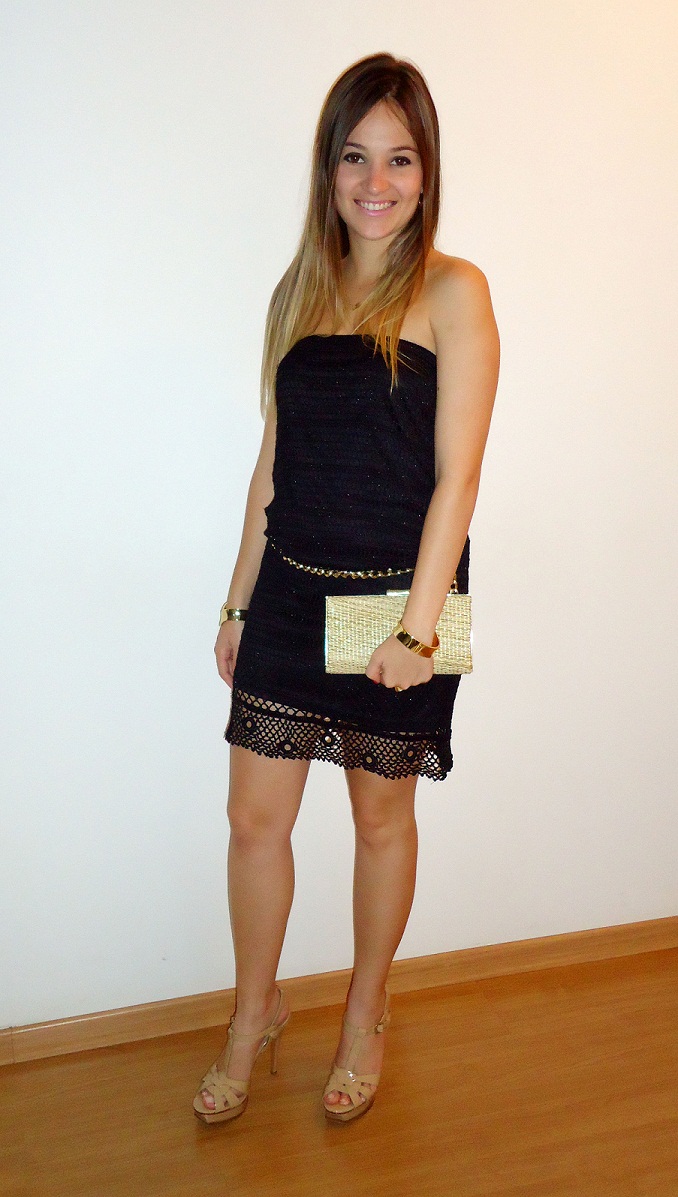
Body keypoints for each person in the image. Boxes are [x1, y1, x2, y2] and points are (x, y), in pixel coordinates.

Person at [193, 51, 499, 1126]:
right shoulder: (301, 291)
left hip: (397, 602)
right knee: (252, 821)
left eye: (399, 159)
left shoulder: (455, 290)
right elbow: (271, 464)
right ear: (329, 169)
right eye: (356, 157)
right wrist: (238, 602)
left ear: (427, 171)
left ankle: (367, 1013)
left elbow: (460, 477)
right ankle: (255, 1011)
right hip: (291, 590)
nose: (377, 181)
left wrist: (418, 632)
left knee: (380, 821)